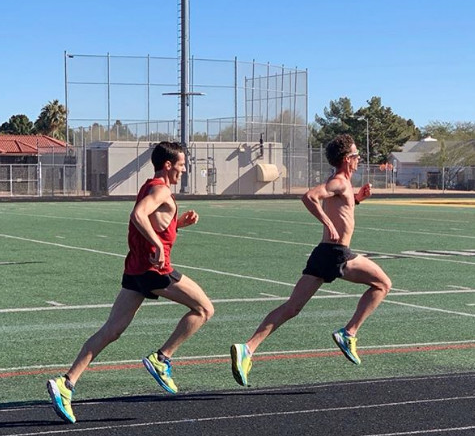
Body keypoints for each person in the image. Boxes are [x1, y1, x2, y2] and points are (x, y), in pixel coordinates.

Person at [47, 141, 214, 423]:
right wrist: (157, 246)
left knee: (111, 330)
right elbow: (137, 215)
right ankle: (162, 358)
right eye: (182, 165)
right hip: (154, 270)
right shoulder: (161, 190)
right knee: (204, 309)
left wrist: (178, 224)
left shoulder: (151, 186)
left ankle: (66, 383)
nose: (185, 170)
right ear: (168, 165)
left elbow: (154, 221)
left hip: (135, 269)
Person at [231, 134, 392, 387]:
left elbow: (341, 208)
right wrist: (328, 223)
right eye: (356, 155)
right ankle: (348, 333)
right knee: (383, 284)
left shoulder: (344, 185)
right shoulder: (339, 182)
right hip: (337, 254)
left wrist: (358, 199)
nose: (359, 159)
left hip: (324, 253)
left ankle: (247, 348)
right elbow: (309, 197)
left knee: (292, 307)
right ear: (346, 159)